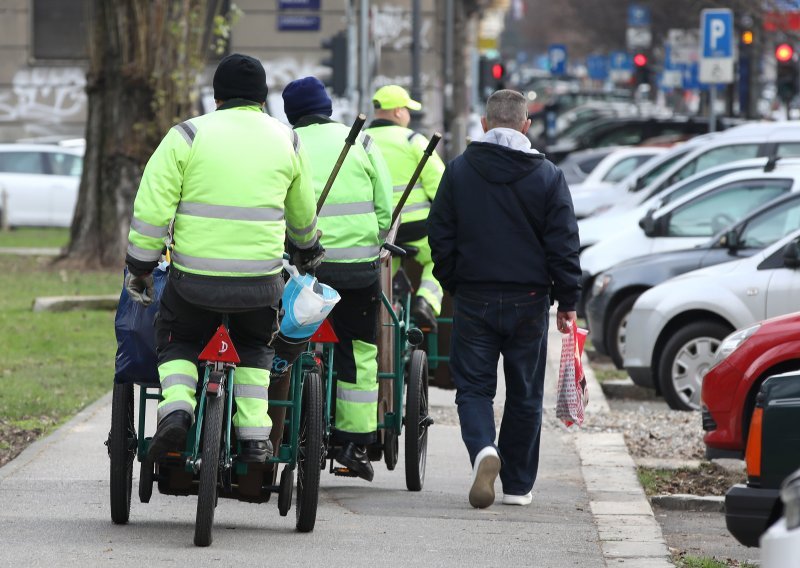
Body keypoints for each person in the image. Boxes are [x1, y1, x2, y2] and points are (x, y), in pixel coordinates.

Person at [124, 53, 323, 464]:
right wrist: (306, 249)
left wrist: (141, 267)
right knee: (255, 345)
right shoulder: (287, 139)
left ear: (216, 97)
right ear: (262, 98)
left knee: (176, 337)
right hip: (260, 284)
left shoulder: (186, 136)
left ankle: (178, 407)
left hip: (192, 282)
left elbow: (151, 209)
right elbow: (302, 214)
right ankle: (253, 436)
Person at [428, 89, 581, 509]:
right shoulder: (548, 176)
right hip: (529, 300)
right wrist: (567, 299)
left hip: (474, 295)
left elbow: (439, 235)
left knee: (473, 388)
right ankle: (516, 485)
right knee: (525, 393)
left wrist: (454, 282)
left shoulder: (459, 171)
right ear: (526, 126)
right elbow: (564, 243)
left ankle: (483, 450)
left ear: (484, 124)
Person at [281, 77, 393, 481]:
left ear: (290, 113)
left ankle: (283, 427)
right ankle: (353, 442)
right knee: (359, 350)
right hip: (357, 270)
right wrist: (377, 244)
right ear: (328, 106)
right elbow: (386, 206)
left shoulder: (286, 142)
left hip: (301, 267)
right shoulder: (360, 141)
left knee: (284, 341)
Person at [364, 85, 446, 330]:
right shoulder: (413, 141)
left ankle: (383, 312)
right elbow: (441, 187)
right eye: (408, 110)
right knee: (439, 258)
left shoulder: (361, 141)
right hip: (416, 227)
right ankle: (426, 301)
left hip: (378, 229)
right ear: (398, 111)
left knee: (385, 265)